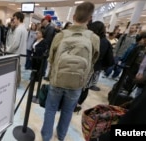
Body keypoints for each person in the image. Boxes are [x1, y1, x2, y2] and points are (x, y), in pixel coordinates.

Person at [41, 2, 100, 141]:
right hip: (77, 83)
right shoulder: (93, 38)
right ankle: (61, 136)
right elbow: (93, 61)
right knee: (68, 111)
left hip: (57, 80)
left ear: (73, 16)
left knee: (50, 109)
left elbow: (51, 58)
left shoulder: (61, 35)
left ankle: (46, 136)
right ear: (90, 18)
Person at [6, 12, 28, 87]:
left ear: (18, 19)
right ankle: (17, 83)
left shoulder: (18, 29)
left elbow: (15, 44)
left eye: (14, 18)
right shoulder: (24, 28)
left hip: (17, 53)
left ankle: (15, 84)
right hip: (21, 53)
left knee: (16, 70)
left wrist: (8, 50)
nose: (13, 20)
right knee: (18, 70)